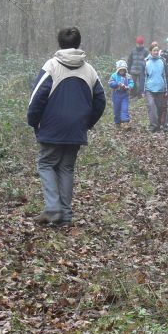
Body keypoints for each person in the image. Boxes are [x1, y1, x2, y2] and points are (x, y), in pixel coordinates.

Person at [27, 26, 106, 228]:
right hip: (75, 130)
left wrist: (33, 121)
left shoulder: (51, 66)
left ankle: (53, 209)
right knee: (66, 168)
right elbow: (100, 101)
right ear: (78, 43)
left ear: (59, 43)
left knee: (46, 164)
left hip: (51, 127)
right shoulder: (89, 70)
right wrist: (86, 123)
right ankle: (66, 216)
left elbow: (37, 97)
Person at [144, 43, 168, 132]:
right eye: (154, 50)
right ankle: (153, 126)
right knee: (151, 106)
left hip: (160, 88)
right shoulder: (146, 61)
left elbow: (166, 76)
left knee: (160, 108)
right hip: (149, 89)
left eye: (157, 50)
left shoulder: (162, 61)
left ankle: (158, 125)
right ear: (150, 51)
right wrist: (142, 90)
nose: (156, 52)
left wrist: (167, 89)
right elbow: (144, 77)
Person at [108, 59, 134, 128]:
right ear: (118, 69)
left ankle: (125, 122)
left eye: (123, 70)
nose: (122, 71)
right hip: (116, 94)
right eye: (120, 70)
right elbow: (110, 83)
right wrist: (116, 84)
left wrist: (128, 87)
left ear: (126, 70)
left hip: (125, 94)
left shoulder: (128, 76)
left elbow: (132, 83)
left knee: (124, 108)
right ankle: (117, 122)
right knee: (117, 109)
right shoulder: (114, 75)